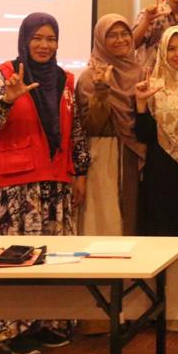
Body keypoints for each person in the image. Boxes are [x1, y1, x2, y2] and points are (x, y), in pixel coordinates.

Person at [0, 13, 90, 354]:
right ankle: (12, 330)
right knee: (14, 259)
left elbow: (75, 130)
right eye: (37, 38)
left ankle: (48, 324)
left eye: (51, 38)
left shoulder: (65, 80)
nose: (44, 45)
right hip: (15, 188)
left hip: (56, 183)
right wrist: (7, 100)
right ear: (25, 40)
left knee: (54, 258)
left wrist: (80, 173)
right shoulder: (4, 75)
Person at [134, 26, 178, 241]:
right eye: (171, 49)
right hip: (161, 169)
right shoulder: (151, 85)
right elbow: (144, 135)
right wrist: (141, 104)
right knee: (161, 234)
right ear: (163, 52)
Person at [76, 14, 145, 237]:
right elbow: (91, 126)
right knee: (104, 219)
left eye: (125, 33)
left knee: (130, 219)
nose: (120, 39)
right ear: (100, 40)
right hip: (102, 153)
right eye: (112, 35)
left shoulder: (140, 72)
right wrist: (102, 90)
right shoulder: (90, 76)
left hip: (132, 153)